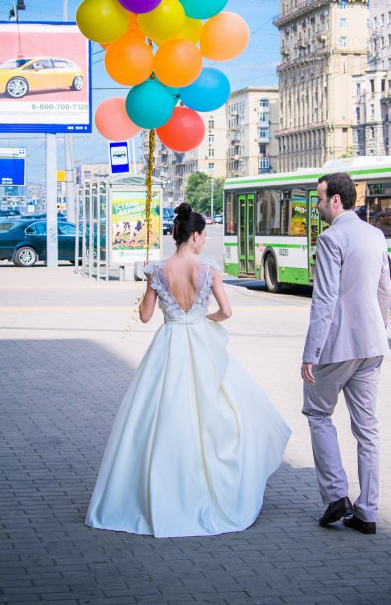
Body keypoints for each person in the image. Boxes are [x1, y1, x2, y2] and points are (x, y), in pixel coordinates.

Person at [86, 203, 290, 538]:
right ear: (194, 236)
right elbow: (226, 311)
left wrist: (153, 288)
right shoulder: (208, 269)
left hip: (168, 344)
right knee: (216, 412)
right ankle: (210, 484)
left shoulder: (156, 269)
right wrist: (203, 319)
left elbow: (146, 316)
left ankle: (159, 488)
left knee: (160, 417)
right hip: (200, 343)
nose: (203, 241)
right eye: (203, 235)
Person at [301, 173, 391, 535]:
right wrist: (378, 327)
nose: (319, 206)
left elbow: (324, 299)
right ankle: (367, 513)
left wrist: (310, 353)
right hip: (372, 344)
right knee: (367, 429)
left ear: (336, 200)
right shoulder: (376, 235)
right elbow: (385, 290)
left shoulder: (330, 238)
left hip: (337, 346)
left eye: (321, 199)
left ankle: (337, 495)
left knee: (318, 412)